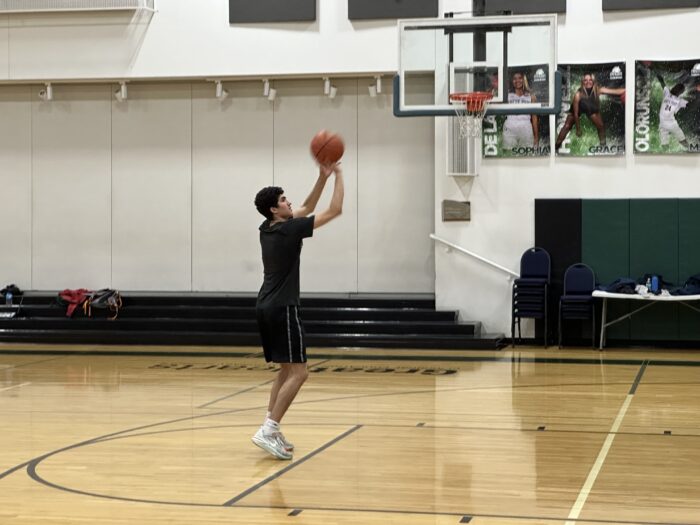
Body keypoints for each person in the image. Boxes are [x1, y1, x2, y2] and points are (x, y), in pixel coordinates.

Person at [251, 161, 344, 460]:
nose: (288, 201)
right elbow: (334, 210)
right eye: (282, 200)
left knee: (286, 370)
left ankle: (271, 428)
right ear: (274, 210)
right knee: (300, 373)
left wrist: (322, 177)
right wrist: (339, 176)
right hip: (282, 307)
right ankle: (268, 428)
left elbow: (304, 205)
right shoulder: (289, 230)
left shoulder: (268, 228)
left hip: (266, 306)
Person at [555, 73, 625, 151]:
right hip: (578, 108)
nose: (588, 82)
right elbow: (575, 114)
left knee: (601, 126)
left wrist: (626, 91)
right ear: (582, 82)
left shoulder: (598, 90)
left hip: (589, 107)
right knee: (567, 126)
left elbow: (615, 91)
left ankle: (603, 147)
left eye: (590, 80)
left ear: (593, 81)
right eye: (585, 80)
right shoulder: (578, 95)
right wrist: (578, 129)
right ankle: (556, 147)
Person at [502, 72, 539, 149]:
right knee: (508, 153)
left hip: (526, 126)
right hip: (510, 126)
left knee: (527, 153)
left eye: (520, 78)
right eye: (514, 79)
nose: (517, 81)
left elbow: (534, 118)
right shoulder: (506, 95)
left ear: (524, 79)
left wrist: (536, 136)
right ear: (511, 81)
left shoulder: (531, 96)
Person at [656, 73, 689, 149]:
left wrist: (656, 73)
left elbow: (662, 82)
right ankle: (690, 150)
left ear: (674, 88)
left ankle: (665, 159)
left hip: (662, 124)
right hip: (672, 124)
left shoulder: (666, 93)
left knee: (664, 145)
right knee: (682, 140)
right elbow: (689, 105)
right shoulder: (680, 101)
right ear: (681, 93)